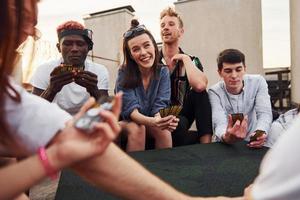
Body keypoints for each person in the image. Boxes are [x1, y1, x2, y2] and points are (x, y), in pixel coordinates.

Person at [2, 1, 227, 200]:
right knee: (137, 128)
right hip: (132, 120)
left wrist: (56, 155)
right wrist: (53, 89)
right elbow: (128, 110)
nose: (30, 32)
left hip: (100, 124)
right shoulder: (118, 72)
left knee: (167, 126)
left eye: (33, 23)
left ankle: (168, 173)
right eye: (21, 16)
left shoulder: (11, 94)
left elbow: (73, 130)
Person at [115, 19, 179, 151]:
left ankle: (164, 170)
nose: (143, 52)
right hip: (126, 122)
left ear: (154, 46)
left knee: (164, 130)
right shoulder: (123, 72)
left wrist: (162, 120)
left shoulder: (163, 71)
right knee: (138, 128)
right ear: (131, 55)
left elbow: (160, 105)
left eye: (146, 45)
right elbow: (131, 112)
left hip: (150, 120)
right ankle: (132, 172)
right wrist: (155, 122)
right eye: (136, 49)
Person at [159, 7, 213, 146]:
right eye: (163, 25)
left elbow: (200, 86)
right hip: (156, 114)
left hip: (181, 114)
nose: (166, 28)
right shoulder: (152, 60)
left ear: (181, 31)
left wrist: (185, 59)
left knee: (200, 94)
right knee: (180, 128)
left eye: (171, 24)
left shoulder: (191, 60)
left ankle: (206, 147)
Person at [31, 20, 109, 115]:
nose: (74, 49)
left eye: (80, 44)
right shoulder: (44, 70)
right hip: (55, 123)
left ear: (88, 48)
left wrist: (94, 91)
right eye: (67, 44)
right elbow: (33, 113)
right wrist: (51, 89)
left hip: (86, 122)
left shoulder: (99, 70)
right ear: (59, 48)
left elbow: (108, 112)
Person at [208, 49, 273, 148]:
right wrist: (226, 137)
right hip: (225, 144)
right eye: (228, 71)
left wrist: (260, 133)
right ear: (220, 72)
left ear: (245, 69)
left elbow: (264, 113)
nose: (234, 75)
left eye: (238, 69)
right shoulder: (214, 92)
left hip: (252, 141)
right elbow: (219, 122)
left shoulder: (258, 82)